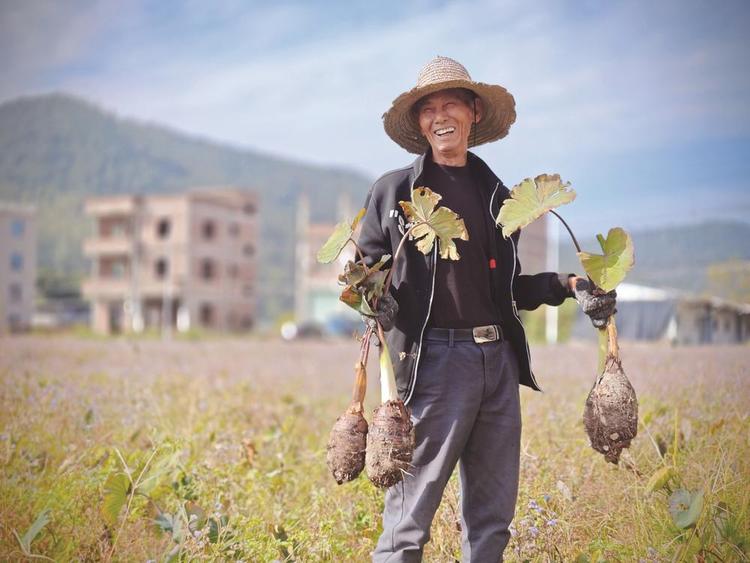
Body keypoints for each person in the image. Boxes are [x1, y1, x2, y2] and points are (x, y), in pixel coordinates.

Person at [357, 56, 616, 562]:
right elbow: (364, 273)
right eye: (427, 109)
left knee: (493, 521)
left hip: (496, 362)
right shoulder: (394, 192)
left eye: (450, 102)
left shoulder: (500, 198)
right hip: (432, 363)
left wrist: (568, 284)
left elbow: (506, 290)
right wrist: (373, 295)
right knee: (408, 521)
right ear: (419, 123)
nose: (439, 116)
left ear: (474, 112)